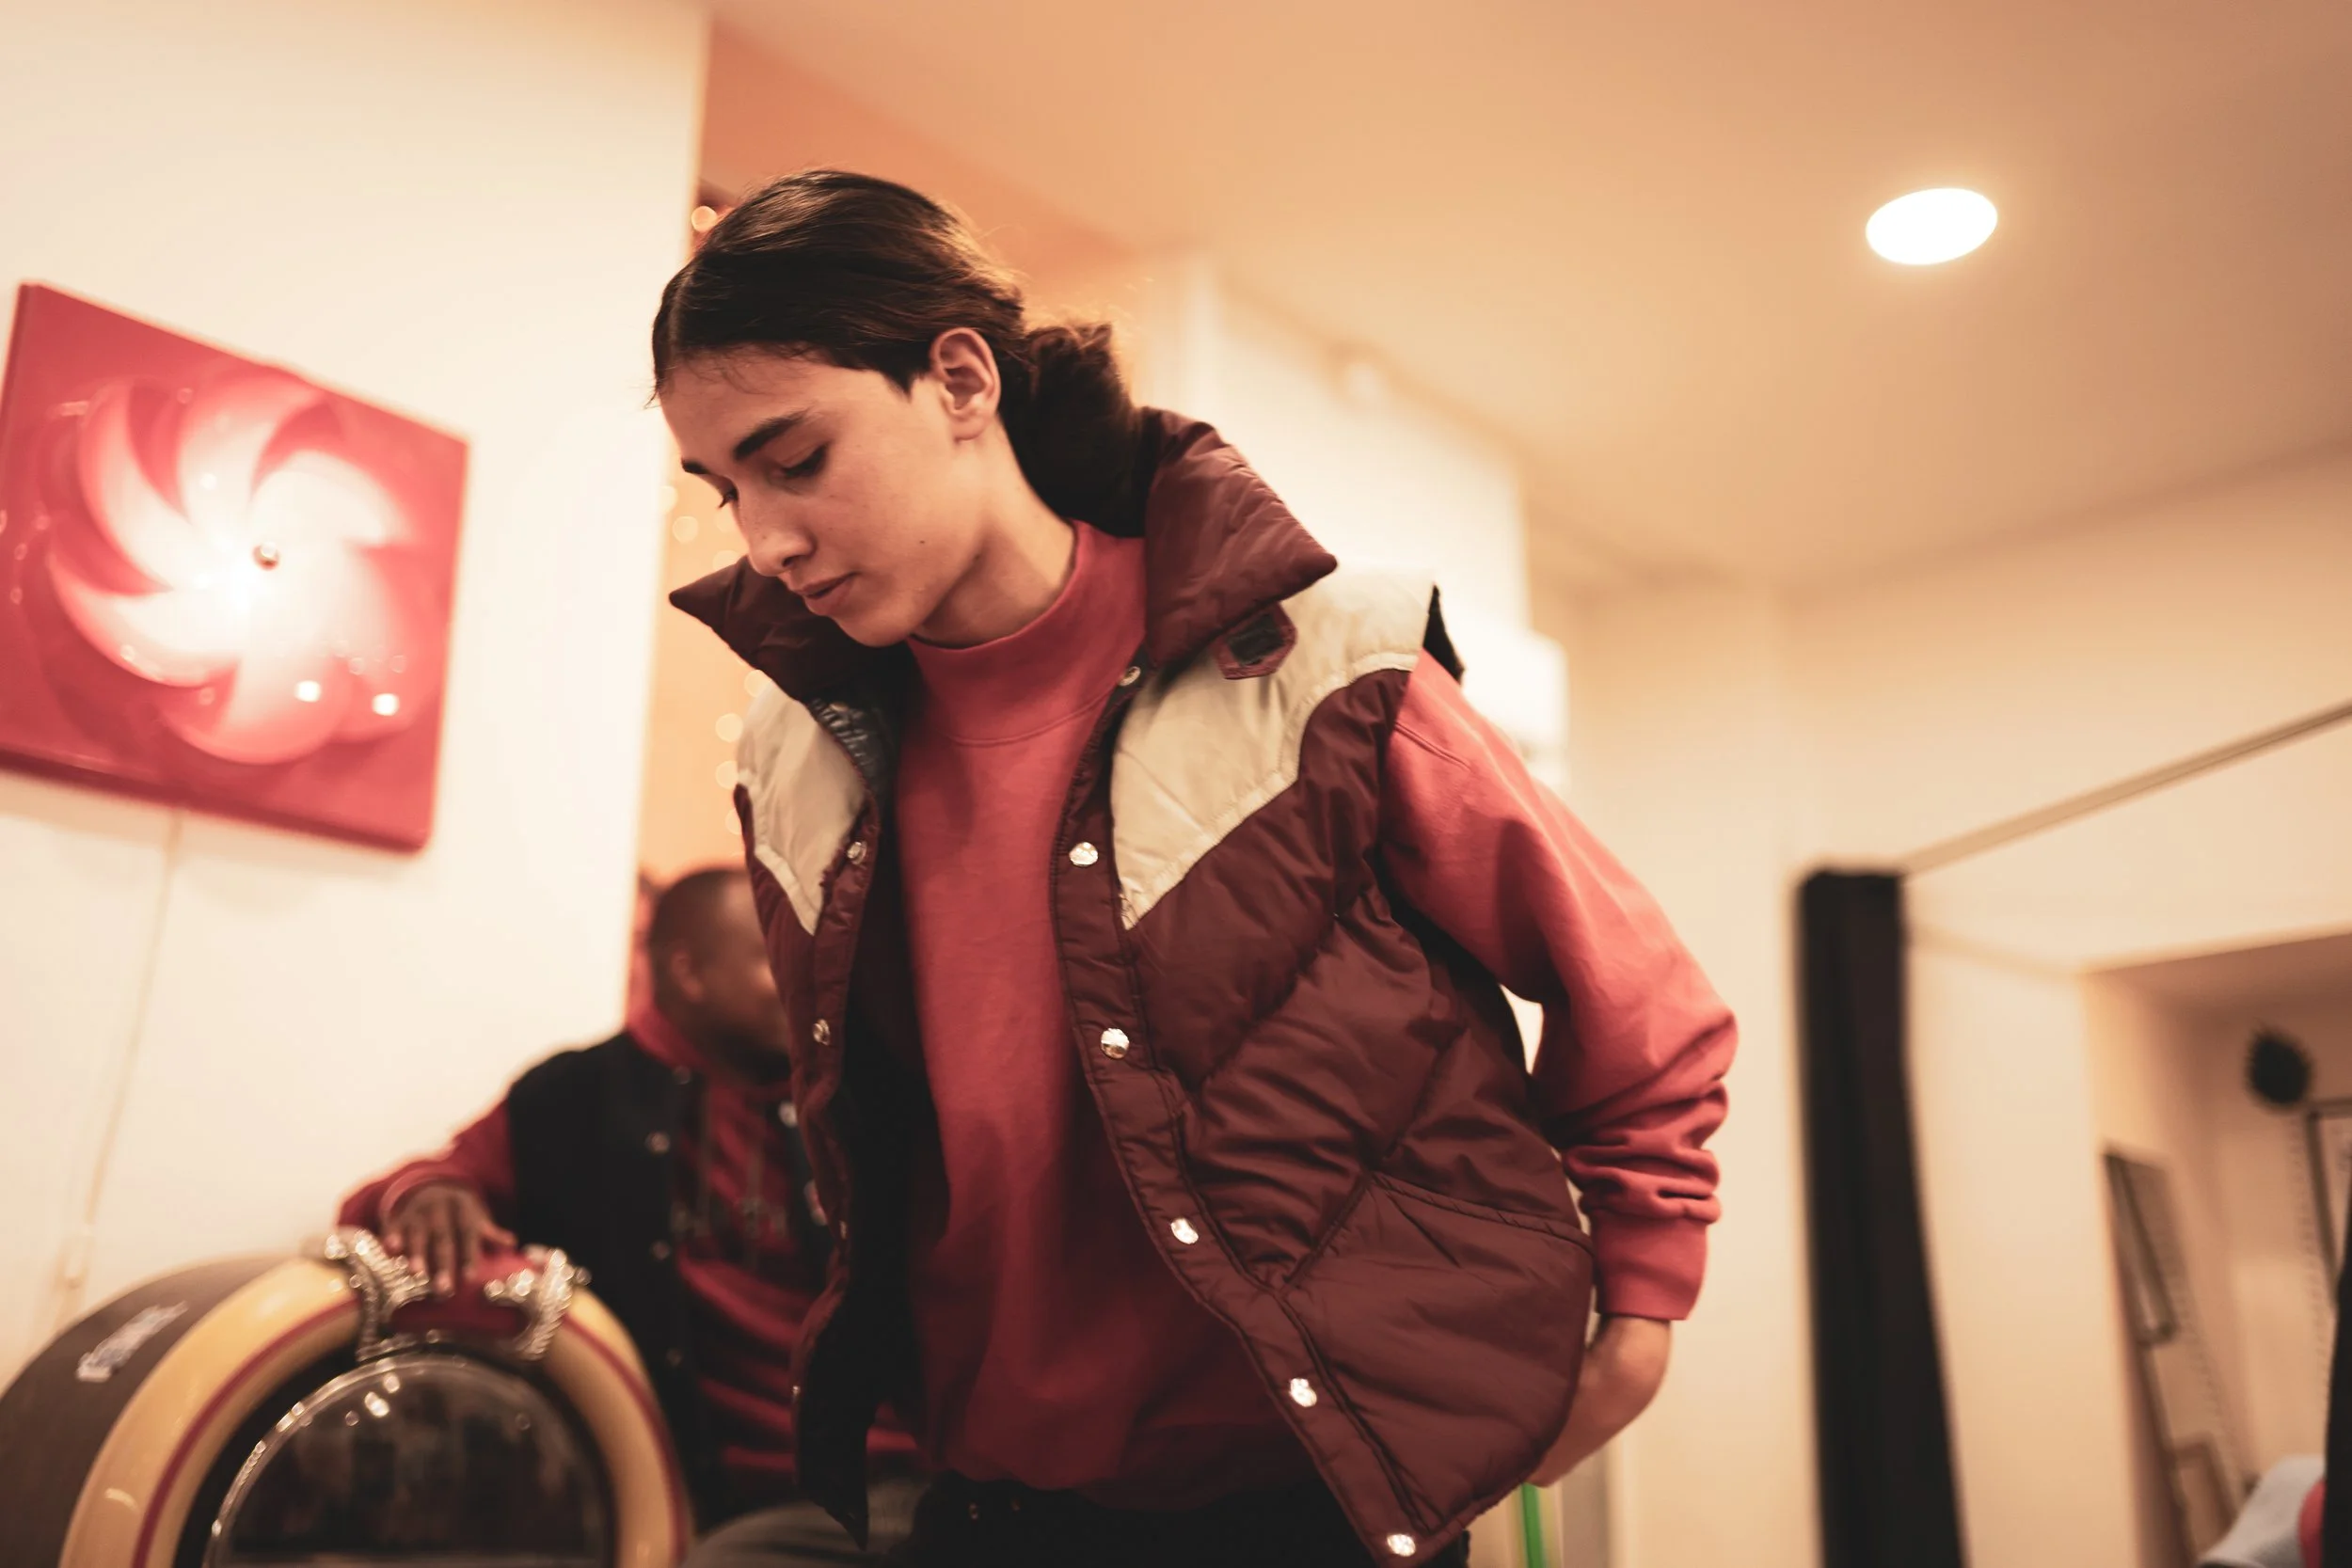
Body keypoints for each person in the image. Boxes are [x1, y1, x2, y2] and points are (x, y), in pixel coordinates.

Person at [654, 170, 1738, 1568]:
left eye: (795, 459)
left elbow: (1639, 1001)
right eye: (725, 489)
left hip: (1311, 1501)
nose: (764, 538)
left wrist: (1639, 1315)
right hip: (989, 1500)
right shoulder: (789, 751)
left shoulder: (1324, 661)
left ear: (961, 380)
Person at [338, 867, 924, 1559]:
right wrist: (428, 1194)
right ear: (689, 973)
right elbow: (415, 1184)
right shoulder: (577, 1098)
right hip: (748, 1505)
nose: (807, 984)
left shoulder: (847, 1098)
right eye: (776, 961)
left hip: (911, 1479)